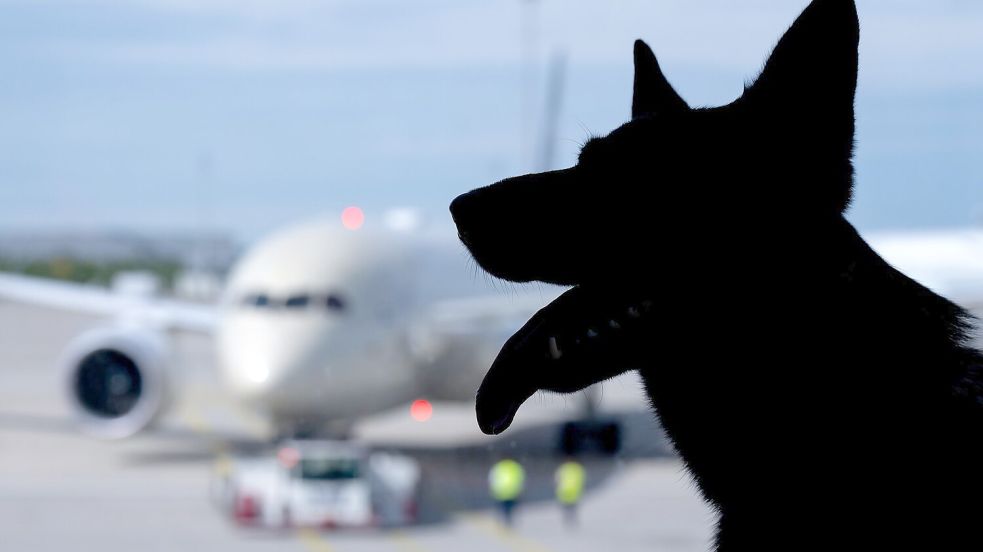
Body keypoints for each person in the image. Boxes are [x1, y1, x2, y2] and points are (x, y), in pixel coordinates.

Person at [488, 457, 525, 526]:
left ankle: (504, 520)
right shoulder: (515, 466)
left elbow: (492, 478)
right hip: (512, 491)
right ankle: (507, 519)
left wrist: (493, 489)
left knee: (504, 508)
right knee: (509, 508)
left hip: (501, 491)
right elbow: (521, 478)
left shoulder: (498, 466)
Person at [554, 457, 586, 527]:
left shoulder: (563, 468)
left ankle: (567, 519)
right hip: (575, 490)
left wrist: (558, 487)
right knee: (573, 507)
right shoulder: (578, 468)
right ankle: (572, 519)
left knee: (566, 506)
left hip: (564, 489)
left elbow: (557, 478)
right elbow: (582, 479)